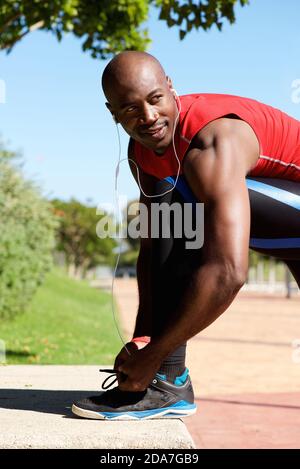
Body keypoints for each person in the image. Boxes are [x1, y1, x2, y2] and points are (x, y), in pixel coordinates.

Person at [72, 51, 300, 420]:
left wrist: (155, 354)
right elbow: (154, 249)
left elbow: (228, 272)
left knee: (181, 201)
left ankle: (167, 377)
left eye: (155, 99)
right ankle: (167, 384)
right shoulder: (144, 152)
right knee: (169, 213)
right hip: (287, 226)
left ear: (171, 88)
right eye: (130, 109)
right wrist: (142, 343)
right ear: (111, 112)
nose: (148, 117)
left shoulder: (213, 141)